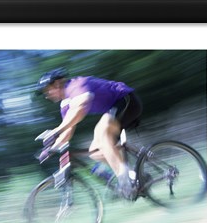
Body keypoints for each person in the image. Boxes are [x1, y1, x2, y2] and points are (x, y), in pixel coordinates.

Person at [35, 68, 143, 199]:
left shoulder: (76, 85)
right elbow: (67, 130)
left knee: (101, 130)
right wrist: (51, 148)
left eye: (47, 90)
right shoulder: (65, 104)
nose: (46, 95)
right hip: (113, 109)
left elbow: (81, 108)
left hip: (126, 100)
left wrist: (56, 131)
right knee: (95, 152)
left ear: (57, 84)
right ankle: (135, 177)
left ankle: (124, 180)